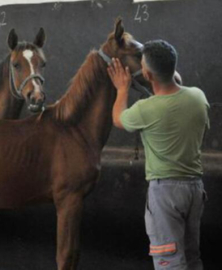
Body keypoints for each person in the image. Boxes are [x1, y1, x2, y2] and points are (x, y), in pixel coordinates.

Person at [107, 40, 209, 270]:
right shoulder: (198, 97)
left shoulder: (146, 109)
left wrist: (122, 89)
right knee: (192, 258)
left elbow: (117, 118)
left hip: (166, 194)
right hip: (194, 189)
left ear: (147, 75)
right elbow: (178, 86)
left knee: (170, 263)